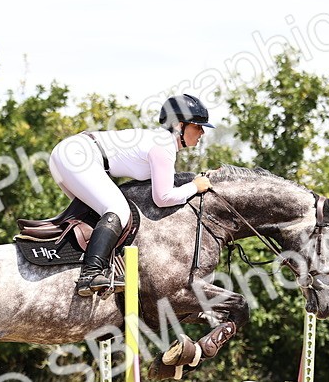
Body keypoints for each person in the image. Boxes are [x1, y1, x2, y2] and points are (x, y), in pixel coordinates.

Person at [48, 94, 214, 296]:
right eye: (198, 126)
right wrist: (194, 187)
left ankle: (85, 269)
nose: (202, 132)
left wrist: (195, 181)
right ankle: (90, 274)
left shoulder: (160, 142)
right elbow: (162, 198)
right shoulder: (164, 146)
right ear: (179, 125)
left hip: (70, 154)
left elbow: (165, 185)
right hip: (77, 156)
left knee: (99, 215)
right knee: (118, 209)